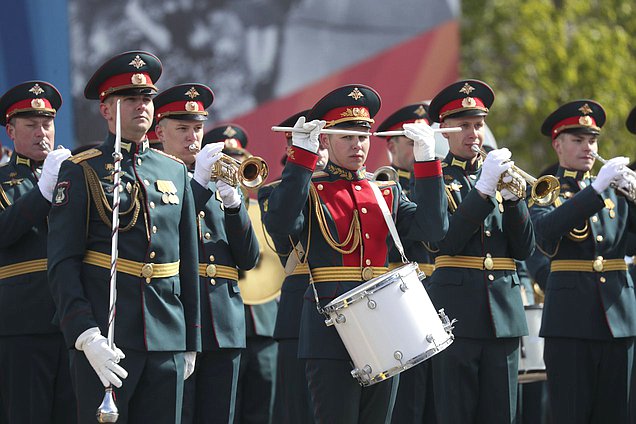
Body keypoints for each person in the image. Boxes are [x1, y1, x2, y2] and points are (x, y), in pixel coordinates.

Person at [263, 83, 448, 423]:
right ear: (326, 140)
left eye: (362, 137)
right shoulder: (311, 189)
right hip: (329, 329)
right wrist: (300, 160)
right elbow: (281, 224)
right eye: (346, 136)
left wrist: (428, 164)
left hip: (386, 324)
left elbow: (433, 231)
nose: (357, 145)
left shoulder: (385, 193)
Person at [47, 51, 201, 424]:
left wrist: (190, 342)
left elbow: (188, 261)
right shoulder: (82, 170)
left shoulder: (175, 170)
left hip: (166, 337)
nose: (141, 107)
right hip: (107, 338)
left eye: (146, 99)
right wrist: (85, 335)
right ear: (105, 109)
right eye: (129, 99)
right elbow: (63, 263)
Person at [425, 79, 533, 424]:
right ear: (445, 131)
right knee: (456, 413)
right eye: (464, 125)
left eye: (479, 125)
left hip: (503, 314)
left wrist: (515, 200)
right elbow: (445, 242)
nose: (474, 134)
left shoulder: (502, 177)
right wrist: (483, 190)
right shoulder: (433, 180)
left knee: (503, 413)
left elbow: (524, 248)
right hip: (456, 314)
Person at [154, 85, 261, 424]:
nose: (192, 138)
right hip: (179, 318)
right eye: (182, 129)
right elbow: (169, 236)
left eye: (197, 128)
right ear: (160, 132)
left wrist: (233, 205)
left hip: (223, 321)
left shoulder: (217, 179)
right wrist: (198, 185)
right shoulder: (156, 175)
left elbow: (248, 259)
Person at [530, 99, 636, 423]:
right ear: (558, 145)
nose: (588, 147)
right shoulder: (546, 189)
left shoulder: (616, 189)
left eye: (592, 140)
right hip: (571, 321)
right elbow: (545, 232)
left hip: (619, 319)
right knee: (572, 414)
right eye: (578, 140)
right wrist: (595, 191)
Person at [0, 81, 75, 423]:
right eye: (30, 125)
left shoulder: (74, 176)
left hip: (74, 320)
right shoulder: (3, 180)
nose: (41, 132)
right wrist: (43, 190)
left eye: (47, 124)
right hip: (23, 323)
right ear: (11, 131)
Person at [200, 124, 278, 424]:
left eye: (237, 160)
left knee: (263, 410)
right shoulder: (204, 204)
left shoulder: (256, 206)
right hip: (220, 320)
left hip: (263, 324)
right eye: (225, 161)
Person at [259, 109, 327, 424]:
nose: (323, 147)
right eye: (317, 141)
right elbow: (287, 234)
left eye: (327, 140)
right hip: (300, 310)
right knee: (298, 411)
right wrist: (304, 167)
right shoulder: (274, 192)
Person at [375, 102, 438, 424]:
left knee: (437, 403)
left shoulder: (436, 181)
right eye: (411, 140)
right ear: (391, 145)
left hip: (438, 296)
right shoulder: (384, 186)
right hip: (399, 302)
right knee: (406, 404)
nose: (417, 148)